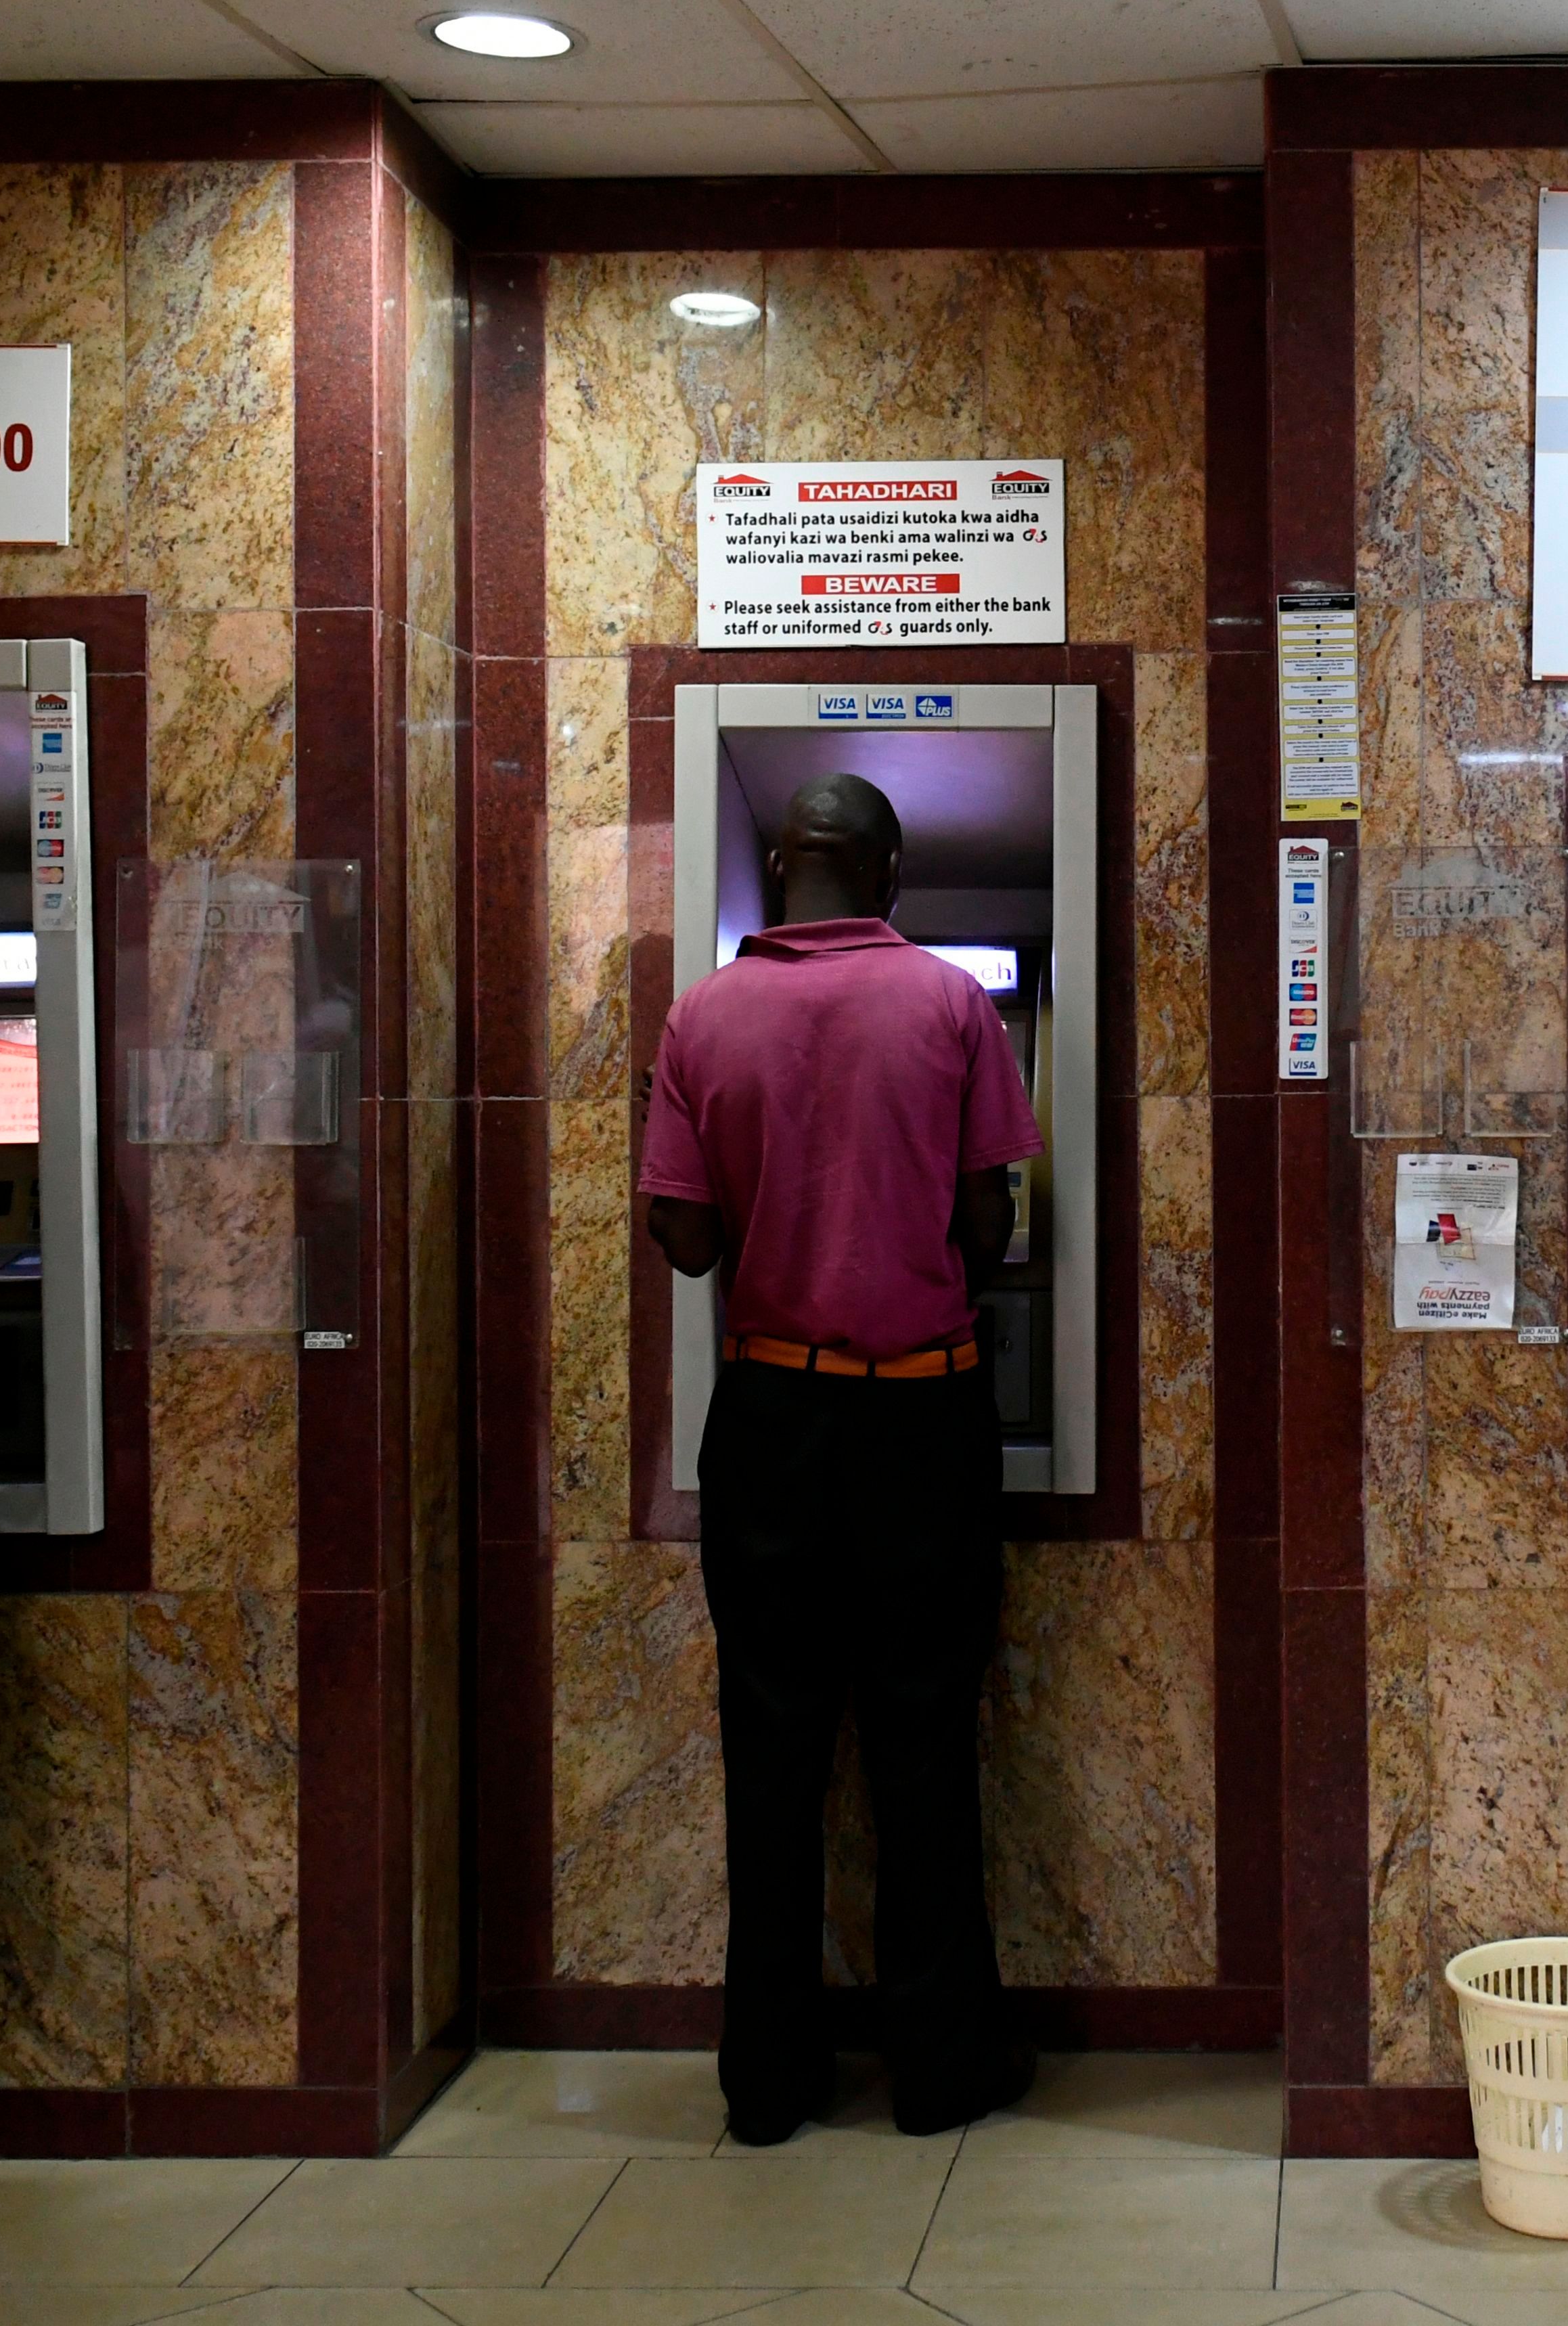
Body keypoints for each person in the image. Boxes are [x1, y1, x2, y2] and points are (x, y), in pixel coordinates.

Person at [639, 773, 1045, 2143]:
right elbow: (990, 1226)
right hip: (918, 1419)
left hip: (768, 1420)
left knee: (774, 1746)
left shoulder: (701, 1013)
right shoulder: (949, 1002)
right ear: (890, 874)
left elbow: (686, 1241)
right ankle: (940, 2066)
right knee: (926, 1739)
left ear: (773, 860)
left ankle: (767, 2075)